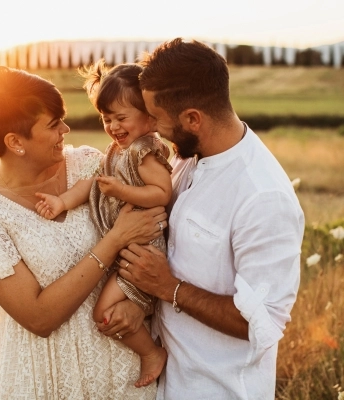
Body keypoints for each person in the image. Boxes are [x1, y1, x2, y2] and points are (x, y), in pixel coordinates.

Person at [0, 66, 168, 399]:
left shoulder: (92, 165)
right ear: (15, 142)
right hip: (40, 374)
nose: (65, 128)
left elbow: (154, 233)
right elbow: (38, 318)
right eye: (52, 124)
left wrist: (140, 304)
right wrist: (114, 239)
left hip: (121, 366)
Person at [115, 38, 305, 399]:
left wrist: (167, 287)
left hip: (218, 390)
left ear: (192, 119)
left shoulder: (263, 197)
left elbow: (259, 322)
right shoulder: (188, 158)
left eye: (156, 117)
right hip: (167, 384)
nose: (152, 127)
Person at [34, 60, 170, 388]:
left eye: (121, 118)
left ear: (150, 117)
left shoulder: (144, 153)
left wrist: (123, 190)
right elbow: (92, 184)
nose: (112, 126)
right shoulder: (115, 151)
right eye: (106, 119)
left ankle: (152, 353)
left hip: (142, 248)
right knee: (111, 310)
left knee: (103, 313)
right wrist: (62, 202)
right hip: (124, 247)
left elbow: (162, 192)